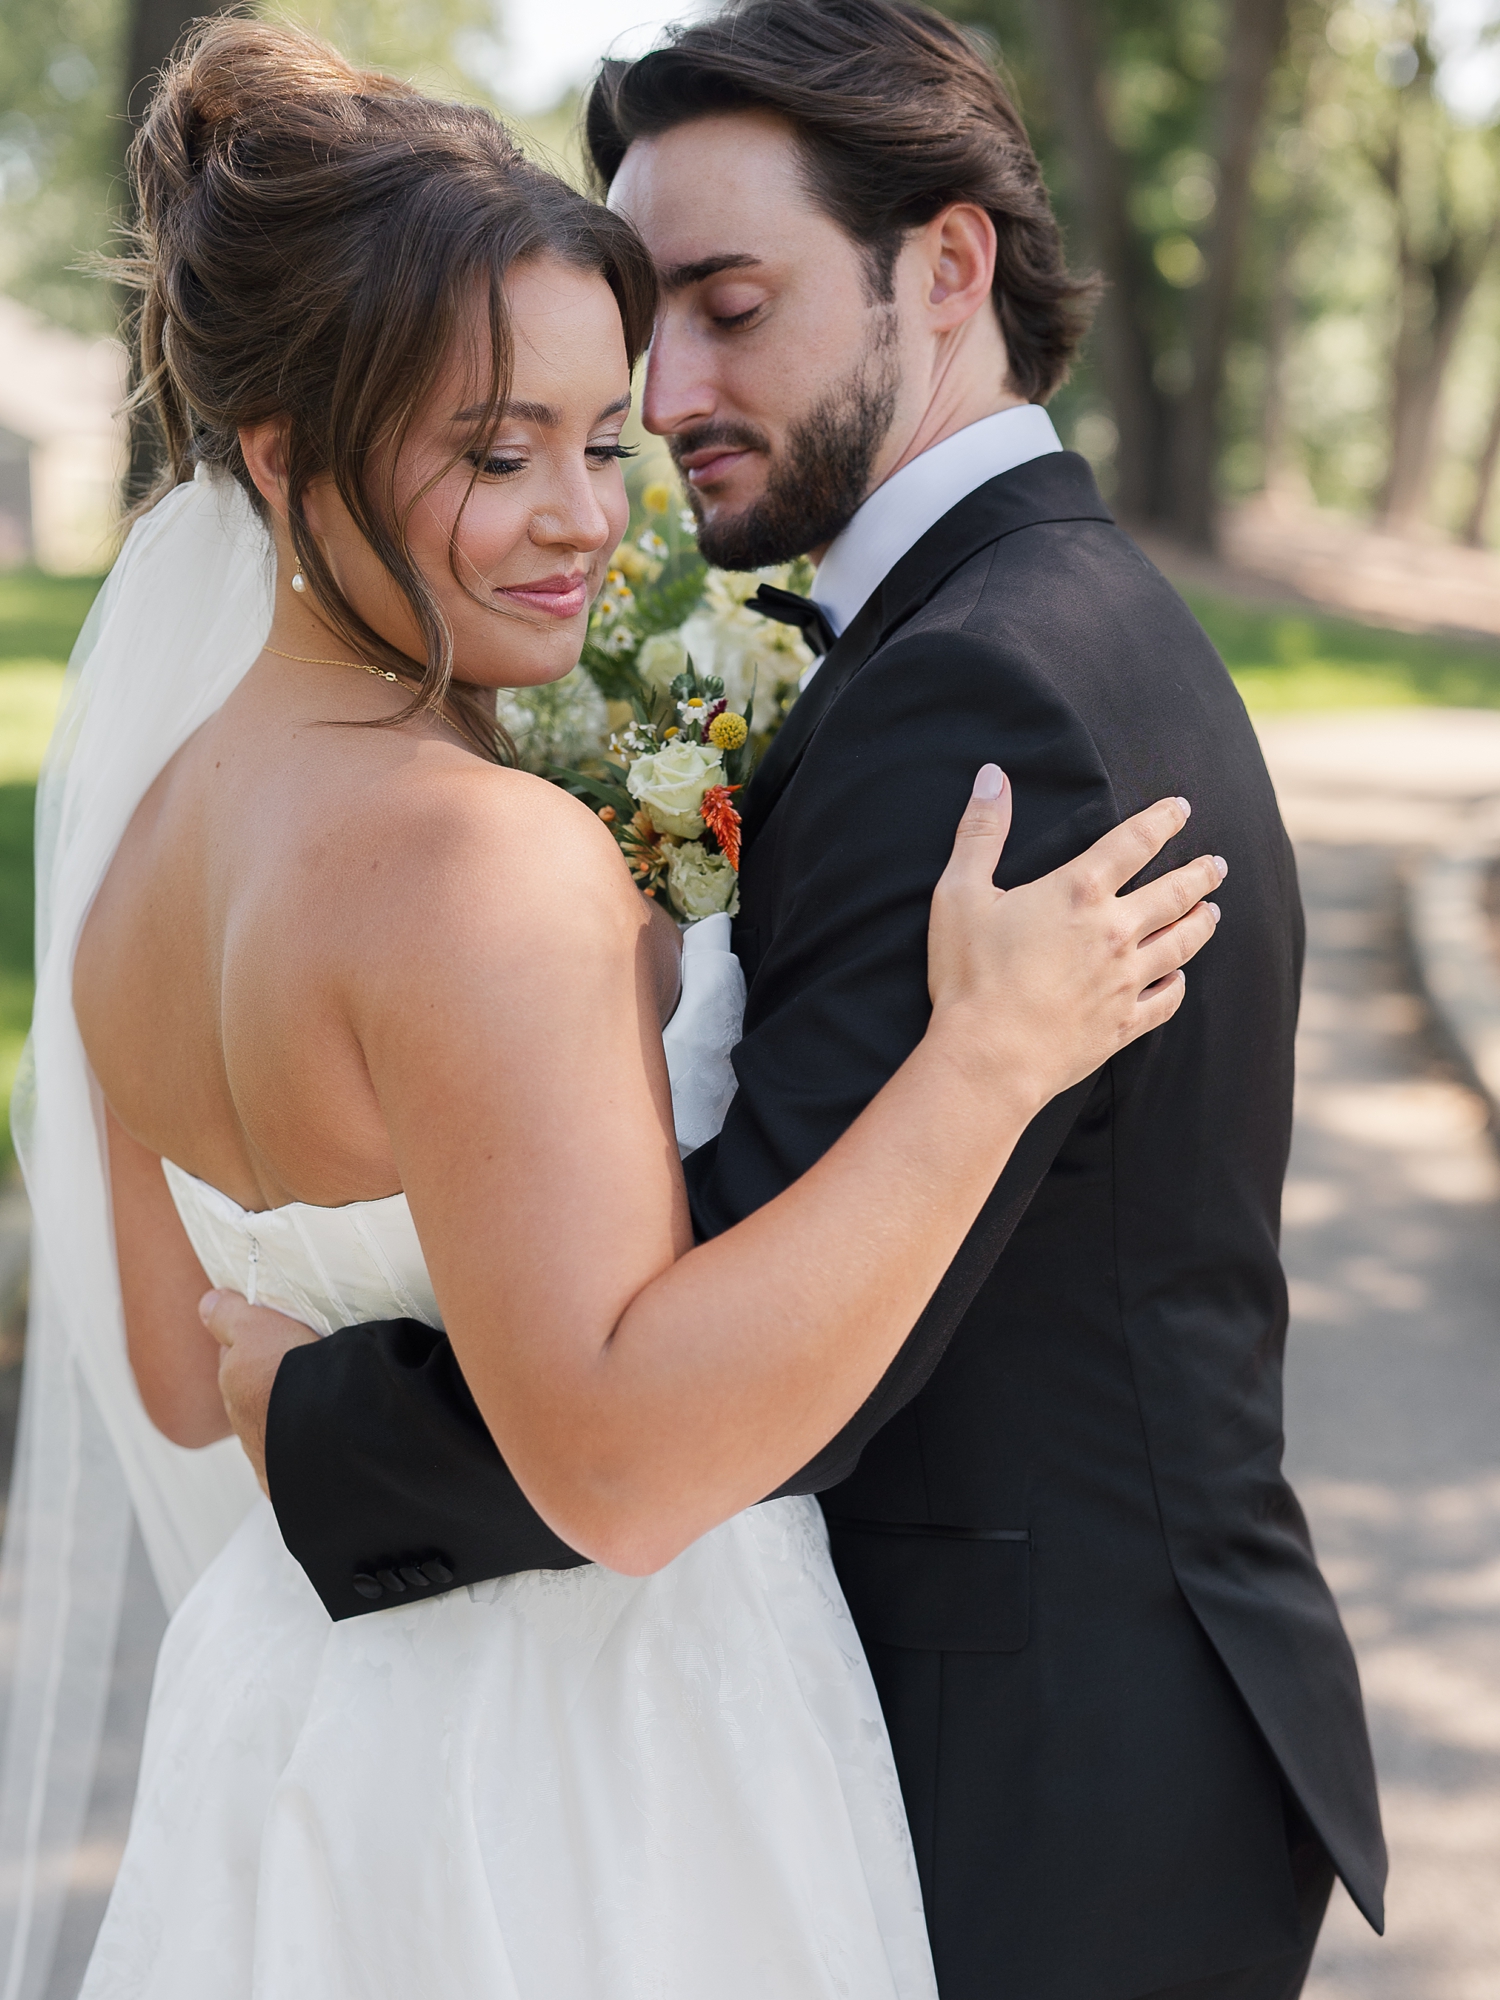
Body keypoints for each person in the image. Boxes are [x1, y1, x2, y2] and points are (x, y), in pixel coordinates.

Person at [5, 19, 1223, 2000]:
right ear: (282, 458)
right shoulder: (482, 863)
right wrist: (988, 1060)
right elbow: (630, 1469)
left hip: (306, 1733)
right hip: (584, 1774)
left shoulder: (141, 858)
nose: (584, 517)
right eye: (496, 456)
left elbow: (174, 1370)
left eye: (599, 436)